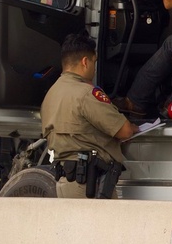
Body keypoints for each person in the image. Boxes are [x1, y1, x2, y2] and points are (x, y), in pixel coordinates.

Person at [40, 33, 140, 199]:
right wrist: (134, 126)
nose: (94, 69)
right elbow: (125, 131)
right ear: (85, 62)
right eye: (94, 62)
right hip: (89, 185)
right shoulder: (86, 93)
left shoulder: (51, 94)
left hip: (67, 181)